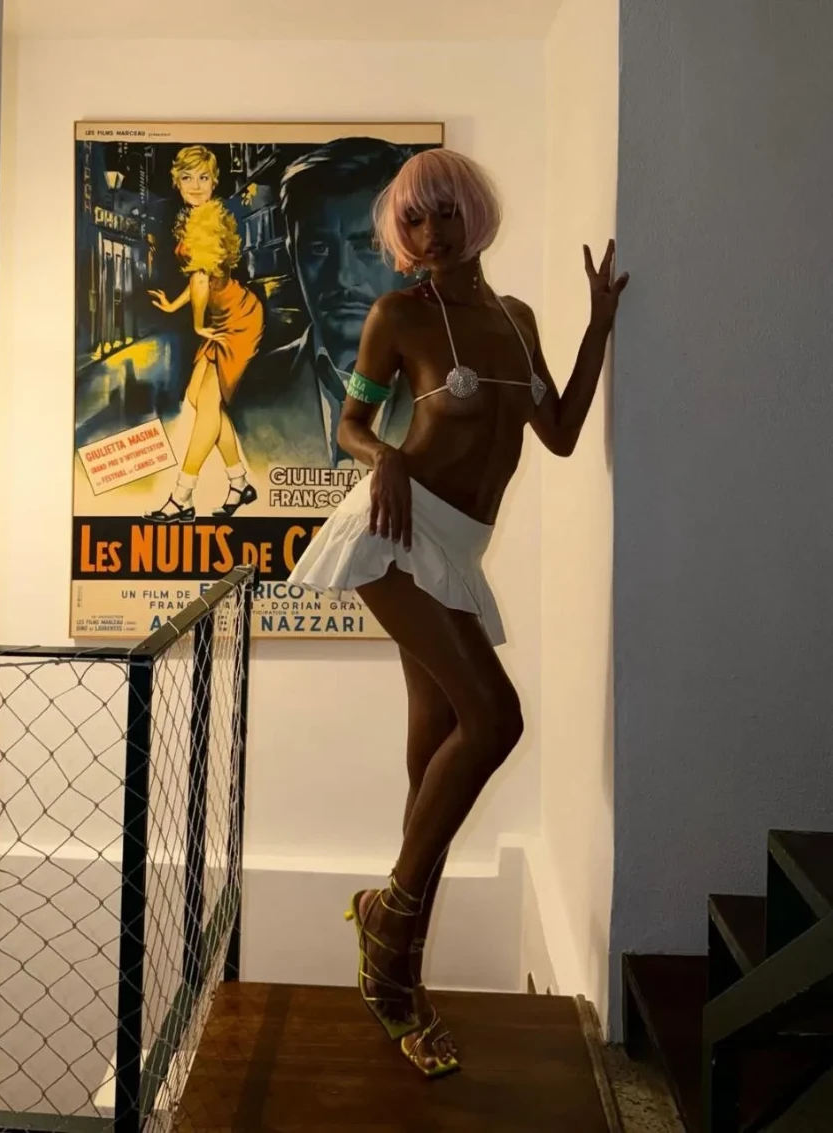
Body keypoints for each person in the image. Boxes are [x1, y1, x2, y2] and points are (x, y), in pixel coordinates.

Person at [288, 148, 628, 1078]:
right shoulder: (399, 316)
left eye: (444, 214)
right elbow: (352, 425)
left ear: (473, 215)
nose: (430, 233)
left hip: (459, 550)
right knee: (496, 717)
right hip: (396, 534)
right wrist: (385, 457)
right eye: (414, 219)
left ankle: (395, 975)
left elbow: (560, 432)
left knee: (433, 760)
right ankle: (389, 924)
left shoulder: (516, 321)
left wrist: (600, 327)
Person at [233, 138, 419, 467]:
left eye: (370, 247)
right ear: (293, 256)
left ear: (412, 256)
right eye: (318, 248)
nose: (343, 276)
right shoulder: (251, 390)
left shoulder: (450, 388)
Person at [146, 145, 264, 522]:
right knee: (199, 399)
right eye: (187, 177)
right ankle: (239, 483)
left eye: (203, 177)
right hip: (228, 310)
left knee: (207, 406)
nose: (195, 185)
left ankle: (181, 497)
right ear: (177, 182)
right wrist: (174, 306)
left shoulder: (206, 221)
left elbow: (201, 279)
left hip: (237, 318)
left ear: (214, 182)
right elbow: (203, 278)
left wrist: (197, 323)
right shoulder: (199, 217)